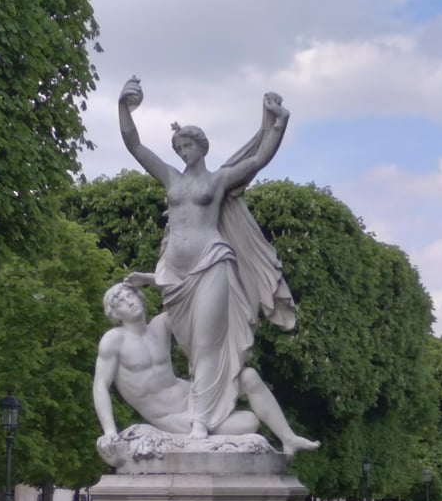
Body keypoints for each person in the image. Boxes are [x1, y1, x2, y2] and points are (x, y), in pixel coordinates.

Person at [116, 76, 303, 443]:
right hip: (175, 276)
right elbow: (134, 145)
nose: (183, 152)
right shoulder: (170, 177)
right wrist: (123, 107)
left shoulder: (219, 181)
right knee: (189, 346)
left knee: (206, 344)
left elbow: (259, 159)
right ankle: (204, 412)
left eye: (188, 145)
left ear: (202, 146)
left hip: (212, 261)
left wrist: (278, 121)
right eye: (178, 147)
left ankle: (200, 420)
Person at [93, 281, 318, 456]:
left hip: (194, 395)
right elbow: (101, 386)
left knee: (249, 376)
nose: (129, 301)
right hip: (172, 416)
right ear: (114, 313)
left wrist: (151, 279)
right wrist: (110, 431)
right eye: (121, 301)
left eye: (131, 295)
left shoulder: (160, 325)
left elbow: (190, 296)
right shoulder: (114, 340)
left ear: (141, 298)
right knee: (250, 422)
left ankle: (288, 438)